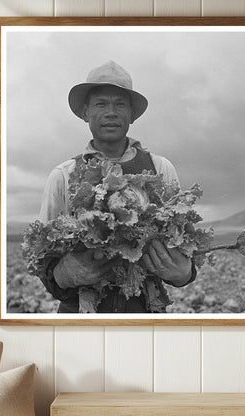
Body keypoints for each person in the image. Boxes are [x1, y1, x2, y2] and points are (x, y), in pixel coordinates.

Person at [38, 61, 196, 313]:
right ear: (85, 112)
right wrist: (64, 274)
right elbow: (42, 258)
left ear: (131, 114)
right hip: (80, 317)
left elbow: (185, 246)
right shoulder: (63, 176)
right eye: (101, 103)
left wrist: (184, 273)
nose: (111, 112)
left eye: (120, 104)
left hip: (144, 315)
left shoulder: (161, 169)